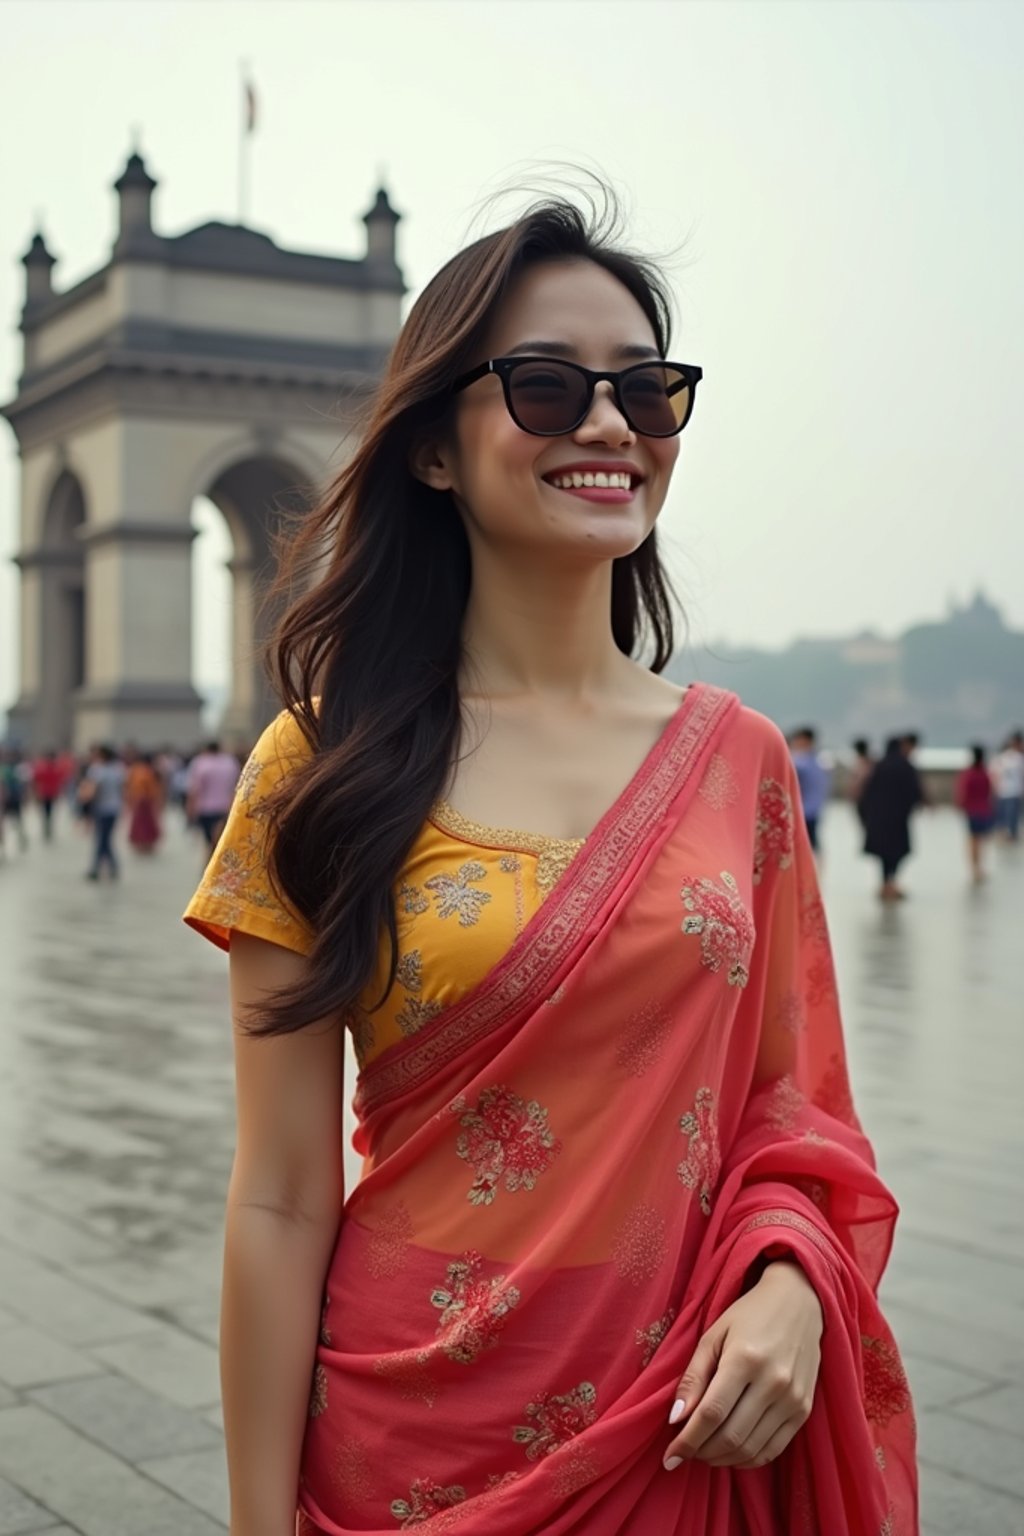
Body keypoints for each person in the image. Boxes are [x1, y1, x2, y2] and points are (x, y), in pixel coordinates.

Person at [183, 197, 916, 1536]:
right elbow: (282, 1197)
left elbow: (795, 1114)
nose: (608, 423)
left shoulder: (738, 762)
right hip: (403, 1454)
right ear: (433, 453)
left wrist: (795, 1283)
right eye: (544, 385)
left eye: (646, 388)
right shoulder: (317, 767)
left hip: (684, 1428)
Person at [859, 736, 924, 901]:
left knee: (883, 853)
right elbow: (915, 791)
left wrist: (866, 815)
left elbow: (866, 793)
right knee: (896, 852)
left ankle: (886, 884)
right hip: (898, 819)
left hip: (879, 818)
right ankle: (891, 883)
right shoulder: (905, 766)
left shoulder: (880, 766)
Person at [186, 741, 241, 853]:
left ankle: (212, 864)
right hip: (227, 808)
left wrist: (190, 809)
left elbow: (195, 790)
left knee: (210, 842)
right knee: (222, 841)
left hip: (206, 809)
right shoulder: (230, 763)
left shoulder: (201, 763)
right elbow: (238, 785)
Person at [81, 744, 125, 880]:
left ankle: (96, 868)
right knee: (105, 839)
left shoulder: (97, 770)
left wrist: (84, 806)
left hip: (102, 809)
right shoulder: (118, 769)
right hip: (114, 808)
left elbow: (91, 791)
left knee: (102, 840)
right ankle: (111, 867)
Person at [955, 745, 996, 883]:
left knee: (973, 840)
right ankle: (979, 868)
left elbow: (963, 792)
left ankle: (974, 868)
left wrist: (960, 806)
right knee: (981, 840)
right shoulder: (984, 772)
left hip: (972, 811)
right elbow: (991, 790)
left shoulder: (968, 773)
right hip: (983, 810)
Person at [786, 727, 830, 852]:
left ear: (804, 740)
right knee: (813, 846)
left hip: (801, 813)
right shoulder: (819, 762)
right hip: (814, 810)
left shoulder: (799, 762)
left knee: (799, 849)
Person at [125, 751, 163, 853]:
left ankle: (142, 843)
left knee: (141, 823)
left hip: (140, 799)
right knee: (146, 823)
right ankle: (146, 844)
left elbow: (129, 786)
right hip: (146, 800)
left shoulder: (136, 770)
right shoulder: (149, 771)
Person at [990, 731, 1024, 843]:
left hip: (1008, 791)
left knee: (1008, 816)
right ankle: (1009, 835)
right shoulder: (1016, 758)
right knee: (1008, 816)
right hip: (1009, 791)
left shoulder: (1007, 758)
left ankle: (1008, 835)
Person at [31, 749, 66, 841]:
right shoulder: (45, 768)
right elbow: (36, 780)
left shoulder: (54, 768)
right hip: (45, 793)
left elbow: (60, 782)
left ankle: (48, 827)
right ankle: (47, 827)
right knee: (47, 812)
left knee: (48, 812)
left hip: (50, 793)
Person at [0, 750, 30, 852]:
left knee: (13, 822)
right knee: (15, 821)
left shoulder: (8, 769)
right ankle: (21, 838)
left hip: (8, 800)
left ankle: (20, 838)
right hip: (11, 799)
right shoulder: (11, 768)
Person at [847, 737, 874, 826]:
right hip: (869, 798)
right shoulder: (871, 762)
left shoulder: (861, 763)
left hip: (863, 798)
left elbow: (857, 782)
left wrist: (852, 794)